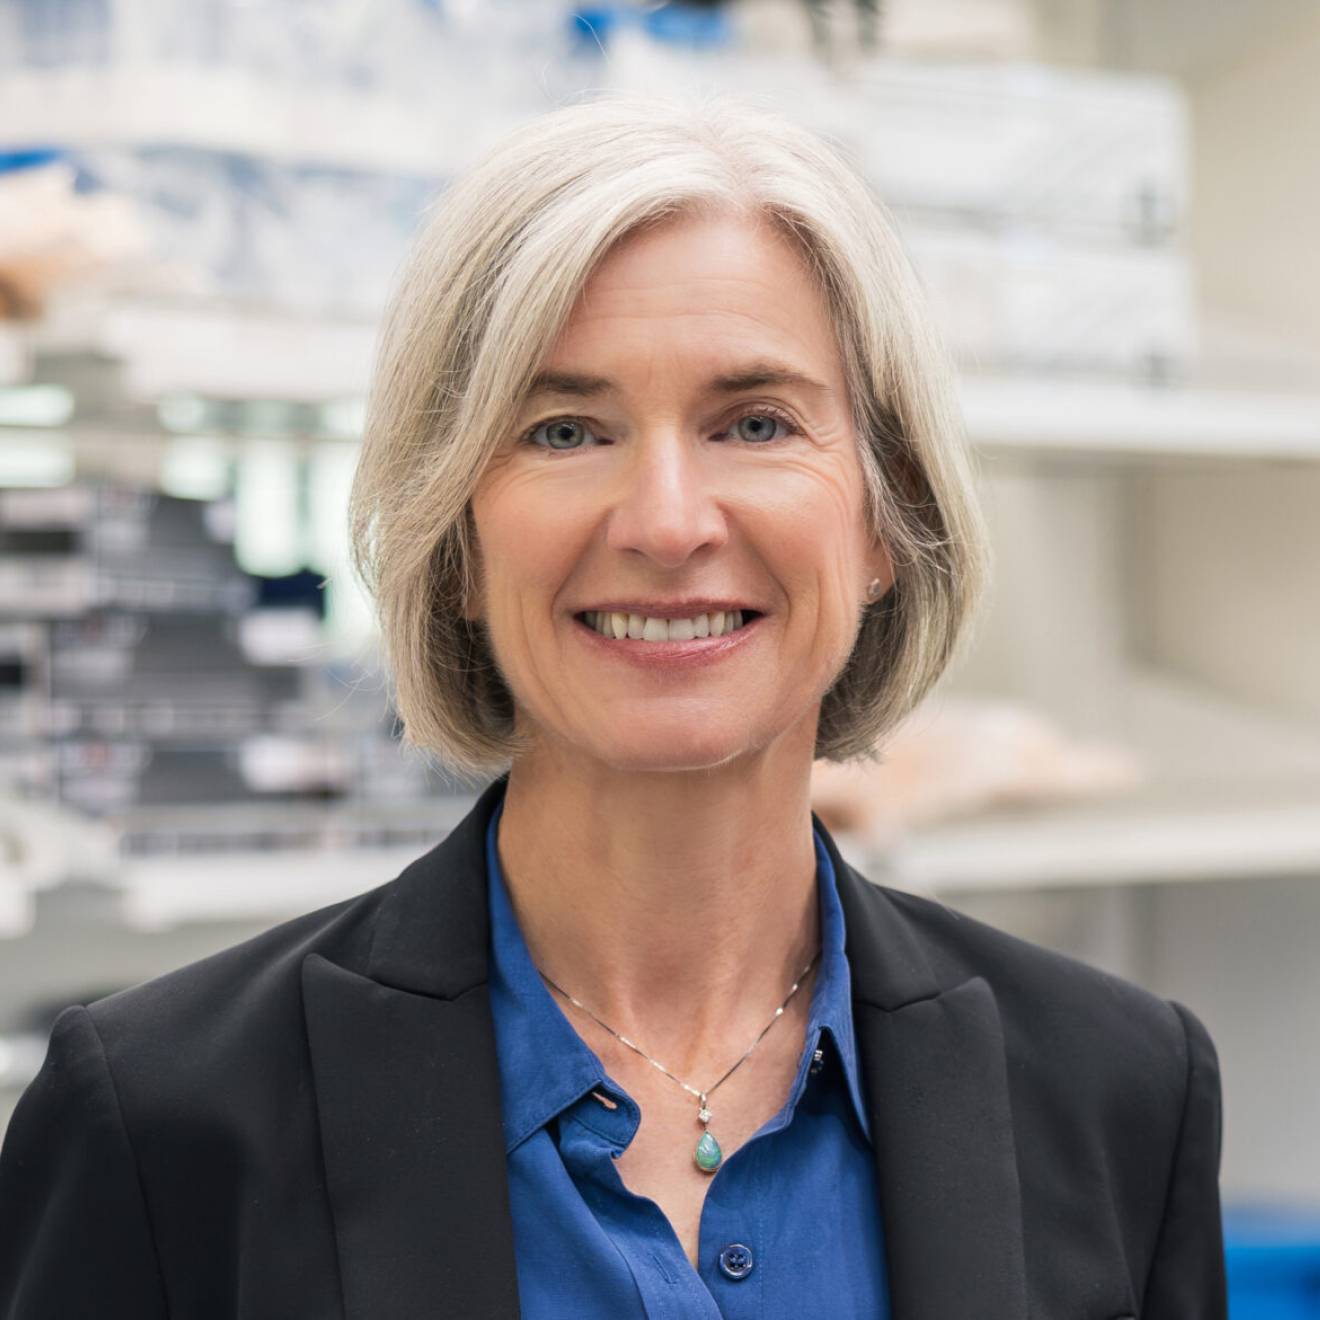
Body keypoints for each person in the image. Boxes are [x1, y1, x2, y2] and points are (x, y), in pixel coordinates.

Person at [0, 92, 1226, 1318]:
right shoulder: (163, 1124)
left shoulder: (1119, 1092)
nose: (667, 522)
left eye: (755, 422)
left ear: (884, 516)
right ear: (458, 534)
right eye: (566, 429)